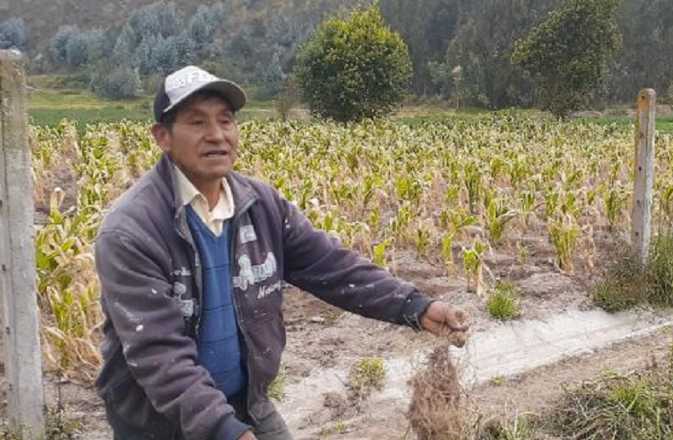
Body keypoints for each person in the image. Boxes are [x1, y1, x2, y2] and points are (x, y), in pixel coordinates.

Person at [94, 65, 469, 440]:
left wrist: (415, 307)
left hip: (246, 404)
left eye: (226, 121)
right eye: (197, 123)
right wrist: (227, 431)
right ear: (163, 136)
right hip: (159, 423)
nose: (217, 135)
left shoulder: (260, 206)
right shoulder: (132, 231)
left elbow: (332, 267)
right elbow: (160, 354)